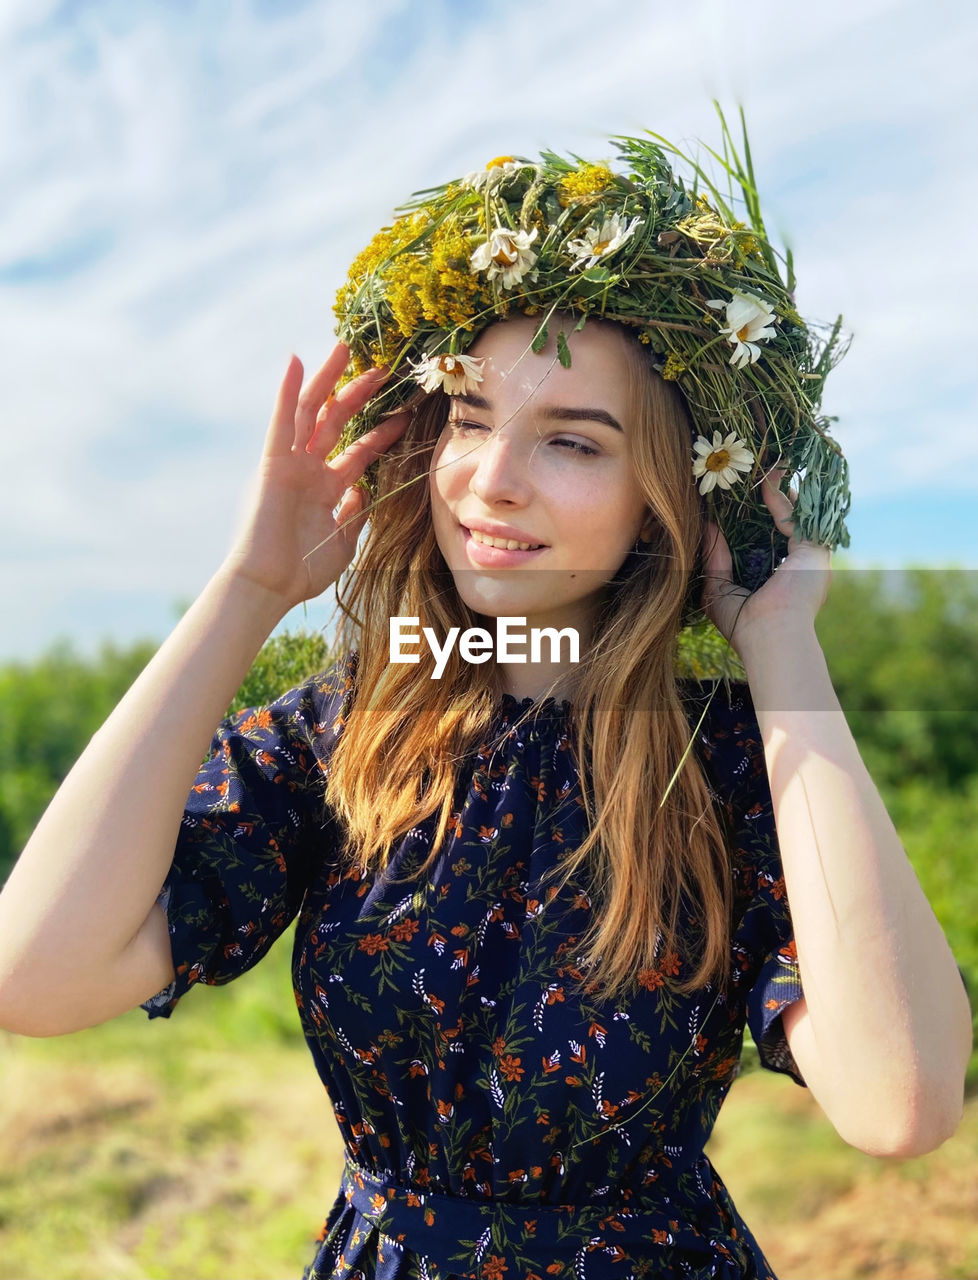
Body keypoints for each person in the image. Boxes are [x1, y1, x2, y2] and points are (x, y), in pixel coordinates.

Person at [0, 122, 971, 1280]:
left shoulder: (722, 763)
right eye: (468, 416)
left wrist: (779, 644)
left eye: (572, 440)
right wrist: (249, 589)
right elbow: (37, 975)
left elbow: (900, 1100)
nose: (490, 479)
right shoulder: (342, 737)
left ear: (669, 493)